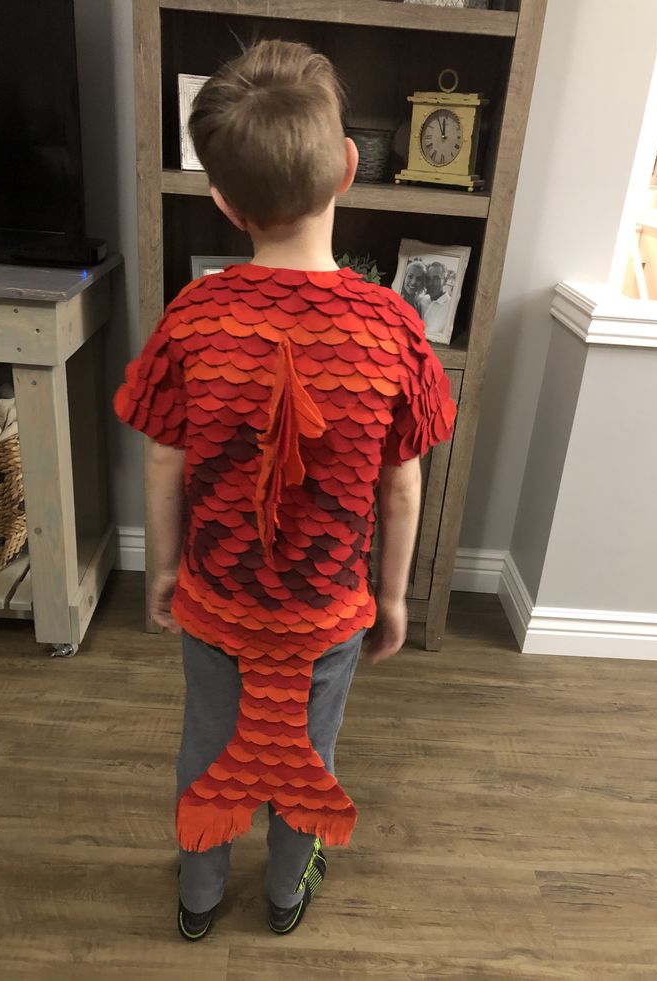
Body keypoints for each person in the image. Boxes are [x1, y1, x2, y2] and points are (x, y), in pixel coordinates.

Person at [114, 39, 457, 942]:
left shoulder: (194, 316)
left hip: (220, 602)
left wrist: (160, 575)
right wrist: (390, 597)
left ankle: (197, 898)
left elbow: (163, 460)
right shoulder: (395, 329)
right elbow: (402, 488)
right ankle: (282, 895)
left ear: (222, 202)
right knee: (311, 747)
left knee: (209, 742)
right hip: (326, 611)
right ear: (350, 167)